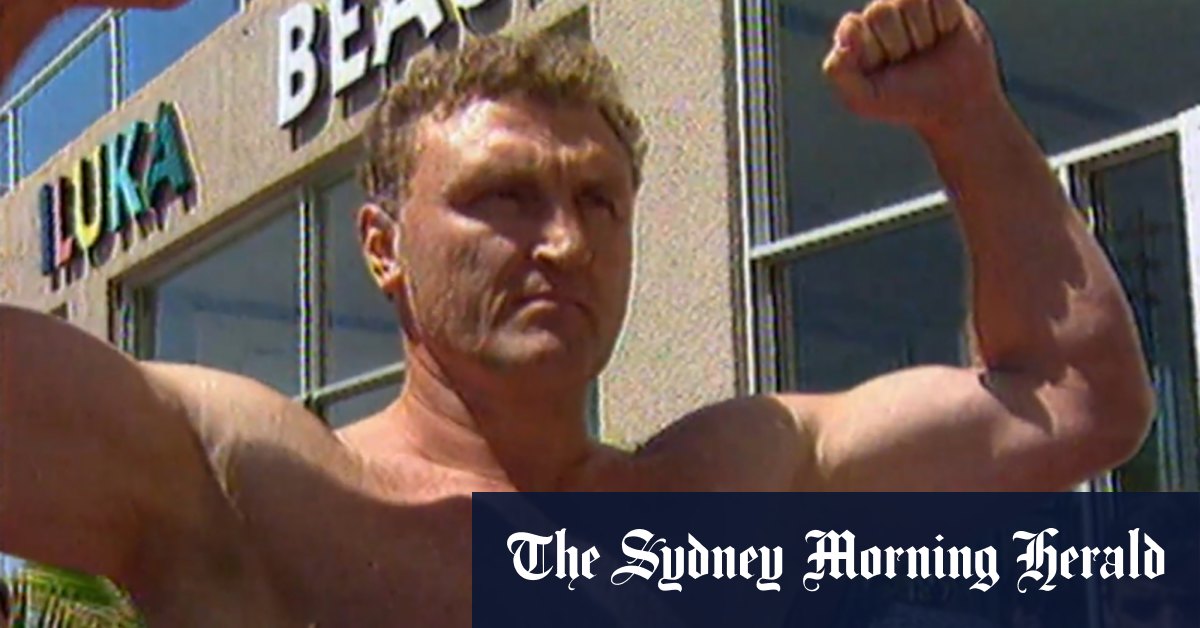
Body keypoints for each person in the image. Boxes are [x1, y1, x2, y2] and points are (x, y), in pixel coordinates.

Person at [0, 0, 1153, 625]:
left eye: (598, 201)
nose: (563, 241)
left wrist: (965, 113)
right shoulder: (248, 490)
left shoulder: (733, 481)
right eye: (503, 197)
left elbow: (1077, 399)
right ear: (382, 247)